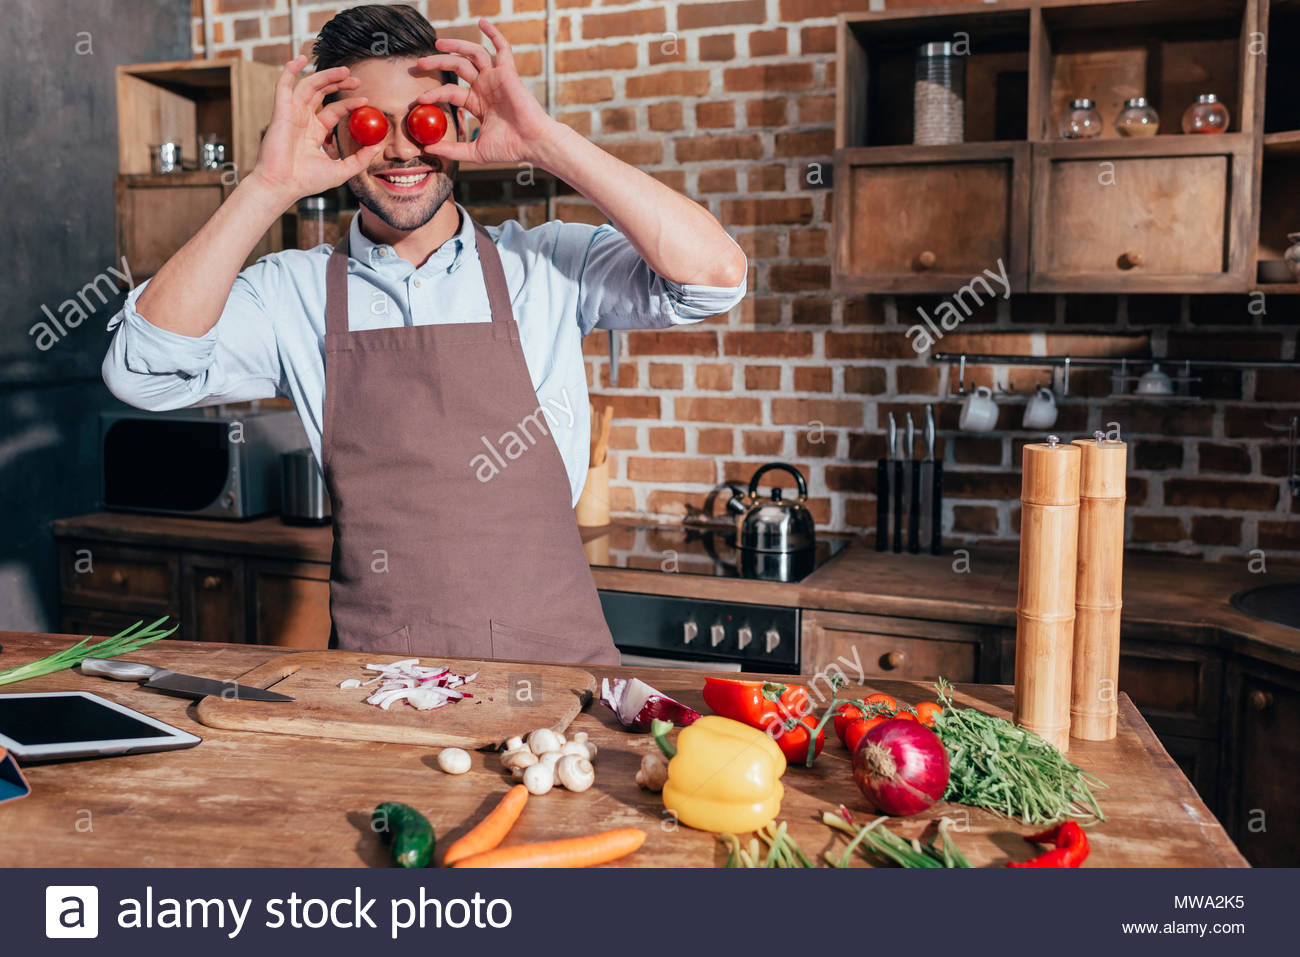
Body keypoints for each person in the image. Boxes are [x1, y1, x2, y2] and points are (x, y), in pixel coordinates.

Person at [102, 4, 747, 664]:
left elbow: (715, 277)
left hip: (556, 686)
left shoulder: (549, 265)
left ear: (464, 121)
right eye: (373, 124)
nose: (405, 148)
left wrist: (543, 140)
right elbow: (140, 368)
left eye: (424, 118)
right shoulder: (292, 292)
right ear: (338, 137)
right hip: (383, 689)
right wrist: (266, 188)